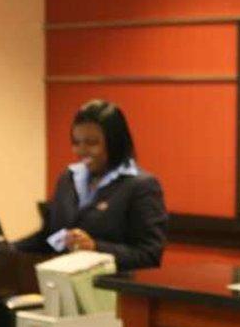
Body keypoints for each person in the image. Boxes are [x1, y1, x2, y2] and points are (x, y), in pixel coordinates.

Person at [14, 99, 168, 270]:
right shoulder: (68, 178)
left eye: (92, 143)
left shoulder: (141, 186)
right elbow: (49, 236)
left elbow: (149, 255)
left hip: (112, 290)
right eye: (76, 143)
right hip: (61, 285)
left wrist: (95, 247)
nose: (81, 151)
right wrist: (5, 248)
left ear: (115, 143)